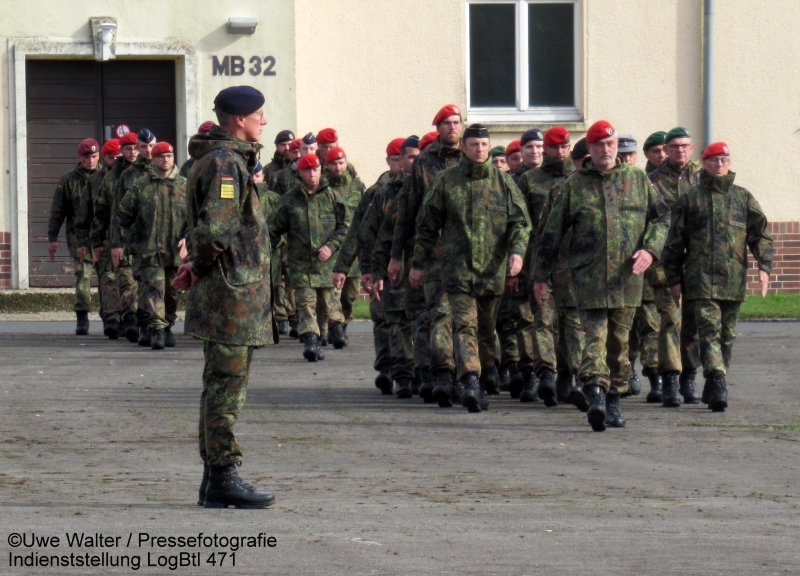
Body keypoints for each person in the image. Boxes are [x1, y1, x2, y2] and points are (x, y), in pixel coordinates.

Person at [173, 85, 275, 509]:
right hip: (232, 296)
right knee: (225, 389)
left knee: (220, 386)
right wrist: (196, 267)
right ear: (239, 120)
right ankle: (222, 476)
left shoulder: (224, 160)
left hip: (233, 292)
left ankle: (214, 477)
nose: (264, 121)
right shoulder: (226, 165)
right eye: (259, 115)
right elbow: (217, 229)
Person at [534, 120, 670, 432]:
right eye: (599, 146)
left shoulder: (637, 180)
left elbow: (662, 216)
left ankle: (613, 399)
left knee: (619, 345)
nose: (605, 150)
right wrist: (540, 275)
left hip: (627, 279)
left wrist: (650, 249)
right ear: (590, 150)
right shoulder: (575, 184)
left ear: (616, 146)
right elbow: (551, 232)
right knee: (594, 338)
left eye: (610, 144)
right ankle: (595, 391)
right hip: (589, 278)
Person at [411, 123, 531, 413]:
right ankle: (470, 381)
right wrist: (417, 264)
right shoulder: (446, 181)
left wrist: (516, 253)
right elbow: (426, 226)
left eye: (484, 145)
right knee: (465, 325)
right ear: (463, 147)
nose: (479, 149)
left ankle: (488, 372)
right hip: (458, 270)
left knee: (487, 329)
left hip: (492, 270)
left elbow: (520, 222)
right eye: (474, 144)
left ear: (489, 148)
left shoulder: (503, 183)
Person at [662, 142, 773, 412]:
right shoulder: (690, 199)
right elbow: (675, 242)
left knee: (726, 334)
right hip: (700, 279)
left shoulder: (742, 197)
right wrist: (673, 279)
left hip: (733, 279)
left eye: (724, 160)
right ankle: (718, 380)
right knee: (708, 332)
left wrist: (764, 266)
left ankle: (713, 382)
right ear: (705, 163)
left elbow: (760, 234)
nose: (720, 165)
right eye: (714, 160)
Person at [390, 104, 462, 406]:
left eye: (457, 122)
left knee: (469, 319)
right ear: (438, 127)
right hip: (433, 253)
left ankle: (468, 375)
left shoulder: (471, 158)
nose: (452, 128)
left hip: (470, 254)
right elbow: (407, 211)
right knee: (440, 315)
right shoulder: (425, 164)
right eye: (446, 123)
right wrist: (397, 255)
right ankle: (440, 373)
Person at [332, 137, 410, 387]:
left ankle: (409, 369)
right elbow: (360, 232)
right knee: (383, 318)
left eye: (404, 158)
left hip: (411, 266)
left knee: (409, 320)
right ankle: (386, 367)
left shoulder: (422, 188)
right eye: (395, 159)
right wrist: (347, 267)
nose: (400, 163)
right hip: (381, 266)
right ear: (388, 161)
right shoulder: (377, 193)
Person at [268, 153, 349, 362]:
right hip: (300, 263)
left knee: (324, 306)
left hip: (326, 266)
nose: (312, 175)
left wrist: (331, 247)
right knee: (305, 303)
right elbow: (273, 229)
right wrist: (268, 252)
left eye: (315, 169)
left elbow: (345, 227)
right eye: (307, 171)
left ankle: (320, 336)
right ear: (300, 173)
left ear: (321, 170)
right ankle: (310, 340)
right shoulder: (289, 200)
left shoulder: (332, 197)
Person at [357, 137, 419, 397]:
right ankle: (396, 372)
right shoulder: (382, 193)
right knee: (393, 321)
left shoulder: (434, 188)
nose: (412, 163)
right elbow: (367, 233)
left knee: (422, 322)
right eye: (407, 158)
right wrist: (369, 269)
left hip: (426, 268)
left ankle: (423, 372)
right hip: (395, 269)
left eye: (419, 157)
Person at [517, 126, 574, 404]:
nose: (558, 152)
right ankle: (546, 374)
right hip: (539, 262)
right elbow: (518, 223)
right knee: (541, 320)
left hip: (574, 265)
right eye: (553, 147)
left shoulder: (579, 178)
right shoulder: (529, 180)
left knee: (570, 323)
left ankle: (566, 374)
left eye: (564, 146)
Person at [648, 126, 704, 406]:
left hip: (697, 264)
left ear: (691, 148)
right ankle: (670, 377)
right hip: (664, 262)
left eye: (684, 146)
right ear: (665, 150)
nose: (679, 150)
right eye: (674, 146)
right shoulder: (653, 181)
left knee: (692, 323)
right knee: (669, 320)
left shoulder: (704, 177)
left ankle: (689, 376)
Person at [117, 142, 186, 350]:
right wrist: (123, 243)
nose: (165, 160)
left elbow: (197, 217)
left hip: (175, 252)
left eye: (169, 156)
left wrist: (189, 239)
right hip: (149, 251)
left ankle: (166, 326)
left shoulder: (185, 185)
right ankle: (156, 329)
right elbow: (123, 216)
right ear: (153, 159)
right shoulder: (141, 185)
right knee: (154, 291)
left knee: (172, 294)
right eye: (161, 157)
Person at [88, 131, 140, 341]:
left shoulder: (145, 175)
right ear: (121, 151)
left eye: (136, 147)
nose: (133, 152)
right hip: (112, 238)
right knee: (109, 279)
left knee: (130, 280)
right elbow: (99, 212)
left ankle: (131, 319)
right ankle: (111, 319)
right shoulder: (109, 179)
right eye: (128, 148)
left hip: (137, 239)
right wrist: (96, 240)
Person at [47, 138, 100, 335]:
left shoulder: (107, 177)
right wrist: (52, 238)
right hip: (78, 238)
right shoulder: (69, 180)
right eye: (87, 157)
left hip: (104, 237)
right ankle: (82, 316)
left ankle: (112, 316)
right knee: (83, 276)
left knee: (108, 279)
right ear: (80, 158)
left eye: (94, 156)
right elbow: (57, 211)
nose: (91, 161)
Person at [111, 128, 158, 346]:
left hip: (160, 240)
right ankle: (144, 325)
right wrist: (117, 243)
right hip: (135, 240)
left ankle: (154, 325)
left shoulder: (163, 169)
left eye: (151, 146)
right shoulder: (127, 176)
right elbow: (118, 212)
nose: (148, 151)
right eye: (143, 147)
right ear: (137, 149)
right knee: (137, 282)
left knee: (156, 286)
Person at [74, 138, 120, 337]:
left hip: (125, 239)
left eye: (118, 157)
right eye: (111, 158)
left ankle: (127, 318)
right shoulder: (93, 181)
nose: (115, 161)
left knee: (125, 281)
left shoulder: (131, 177)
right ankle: (108, 318)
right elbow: (83, 216)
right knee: (104, 278)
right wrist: (84, 242)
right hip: (100, 238)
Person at [324, 146, 366, 347]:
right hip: (334, 246)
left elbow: (367, 213)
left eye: (341, 163)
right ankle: (335, 325)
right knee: (334, 292)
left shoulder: (357, 186)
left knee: (350, 294)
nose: (338, 167)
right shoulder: (325, 188)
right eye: (333, 163)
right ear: (327, 165)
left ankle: (344, 322)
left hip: (354, 249)